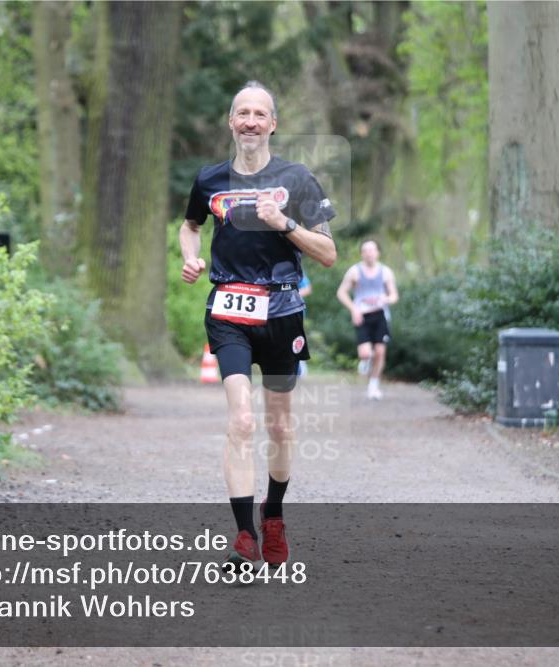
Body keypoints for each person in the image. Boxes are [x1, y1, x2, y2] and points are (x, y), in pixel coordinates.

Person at [180, 81, 337, 570]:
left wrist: (283, 224)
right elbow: (190, 226)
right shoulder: (209, 179)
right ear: (231, 122)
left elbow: (329, 254)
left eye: (259, 113)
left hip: (282, 311)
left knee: (279, 425)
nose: (250, 121)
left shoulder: (298, 179)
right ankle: (245, 535)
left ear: (273, 124)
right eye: (241, 113)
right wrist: (191, 258)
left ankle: (274, 514)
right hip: (227, 309)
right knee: (242, 421)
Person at [336, 239, 398, 400]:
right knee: (365, 353)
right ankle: (366, 360)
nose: (369, 253)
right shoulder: (354, 271)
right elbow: (341, 293)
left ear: (377, 253)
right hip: (361, 315)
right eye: (365, 250)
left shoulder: (386, 272)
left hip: (380, 315)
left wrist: (386, 299)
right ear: (362, 253)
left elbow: (394, 296)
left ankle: (373, 385)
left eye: (372, 250)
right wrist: (353, 308)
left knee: (380, 351)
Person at [297, 276, 312, 378]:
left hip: (296, 313)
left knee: (296, 339)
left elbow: (307, 289)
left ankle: (300, 365)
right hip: (274, 314)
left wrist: (288, 294)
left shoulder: (295, 268)